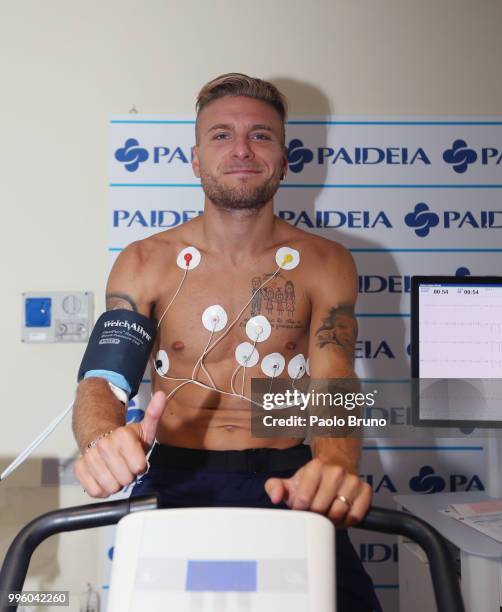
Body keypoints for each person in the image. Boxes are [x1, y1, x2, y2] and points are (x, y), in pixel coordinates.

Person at [72, 73, 381, 612]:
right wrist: (101, 438)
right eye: (221, 135)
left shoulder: (326, 262)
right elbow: (105, 377)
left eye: (261, 136)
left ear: (285, 159)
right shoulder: (146, 261)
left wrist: (335, 463)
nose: (241, 149)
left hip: (289, 478)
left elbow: (334, 376)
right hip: (177, 478)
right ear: (195, 159)